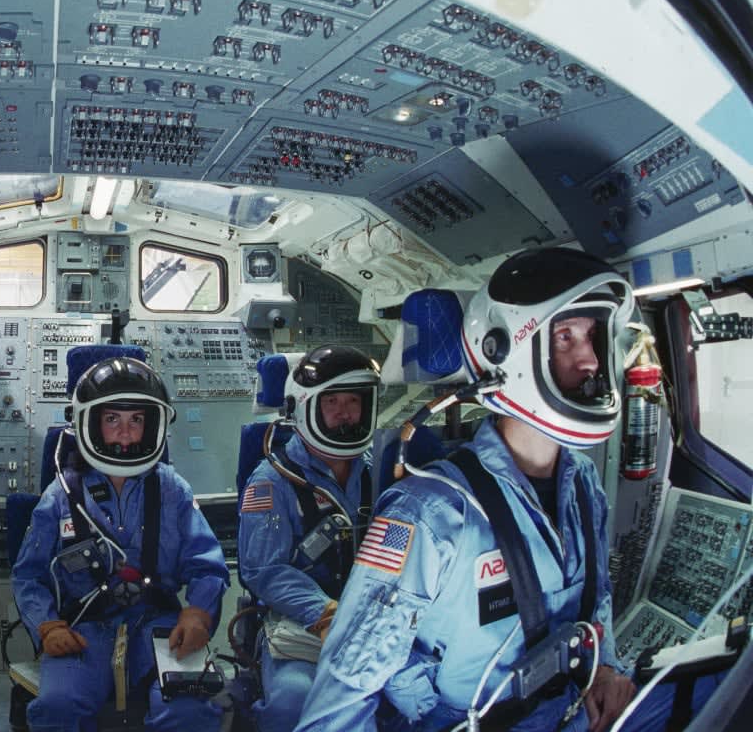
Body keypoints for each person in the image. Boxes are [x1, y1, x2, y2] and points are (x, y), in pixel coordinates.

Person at [296, 247, 715, 732]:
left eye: (595, 336)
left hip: (572, 704)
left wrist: (607, 667)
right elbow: (347, 686)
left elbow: (595, 602)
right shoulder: (428, 512)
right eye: (565, 337)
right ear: (503, 352)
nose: (590, 359)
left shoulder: (582, 485)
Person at [12, 356, 229, 732]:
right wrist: (48, 625)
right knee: (57, 707)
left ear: (152, 426)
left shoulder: (172, 489)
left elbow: (206, 564)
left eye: (136, 421)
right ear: (91, 423)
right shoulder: (61, 496)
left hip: (159, 622)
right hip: (84, 627)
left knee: (190, 709)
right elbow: (29, 575)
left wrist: (198, 613)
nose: (126, 434)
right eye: (113, 420)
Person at [237, 345, 381, 731]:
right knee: (292, 703)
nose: (345, 412)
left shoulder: (379, 473)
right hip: (299, 623)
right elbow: (263, 570)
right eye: (332, 401)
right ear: (304, 406)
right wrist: (324, 612)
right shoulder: (272, 481)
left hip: (373, 619)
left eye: (353, 401)